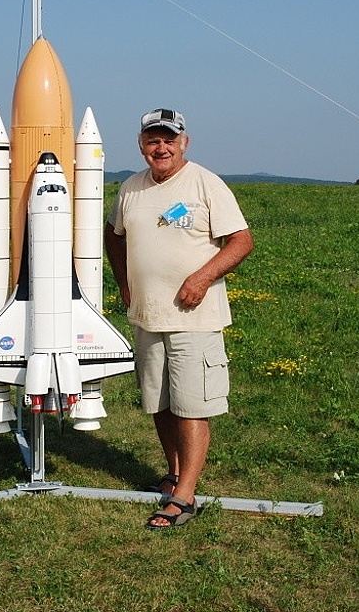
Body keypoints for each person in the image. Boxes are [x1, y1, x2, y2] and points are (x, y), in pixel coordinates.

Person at [105, 108, 253, 529]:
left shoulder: (205, 183)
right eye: (153, 139)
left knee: (190, 405)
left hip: (194, 317)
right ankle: (172, 475)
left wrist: (202, 278)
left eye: (169, 139)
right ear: (141, 144)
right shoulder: (132, 188)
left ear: (184, 142)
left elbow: (241, 241)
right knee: (160, 403)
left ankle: (184, 497)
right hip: (148, 317)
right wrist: (125, 283)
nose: (161, 147)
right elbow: (113, 235)